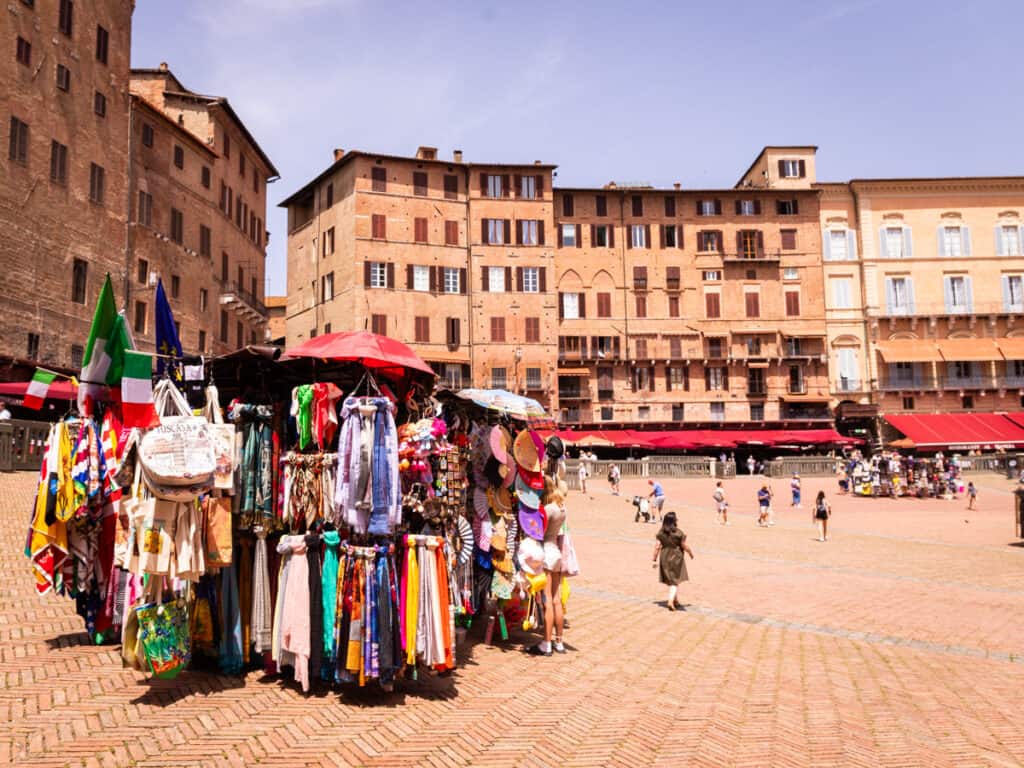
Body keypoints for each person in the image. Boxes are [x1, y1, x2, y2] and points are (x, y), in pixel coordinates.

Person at [528, 480, 570, 656]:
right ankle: (559, 642)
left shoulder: (548, 510)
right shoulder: (562, 508)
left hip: (546, 553)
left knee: (547, 601)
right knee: (556, 599)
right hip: (557, 554)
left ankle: (546, 643)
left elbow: (538, 532)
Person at [652, 511, 694, 611]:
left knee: (672, 579)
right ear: (674, 521)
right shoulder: (679, 533)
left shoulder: (661, 533)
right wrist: (690, 552)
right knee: (675, 580)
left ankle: (675, 600)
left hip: (664, 556)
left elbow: (657, 546)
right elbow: (683, 545)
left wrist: (654, 558)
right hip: (676, 556)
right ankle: (670, 601)